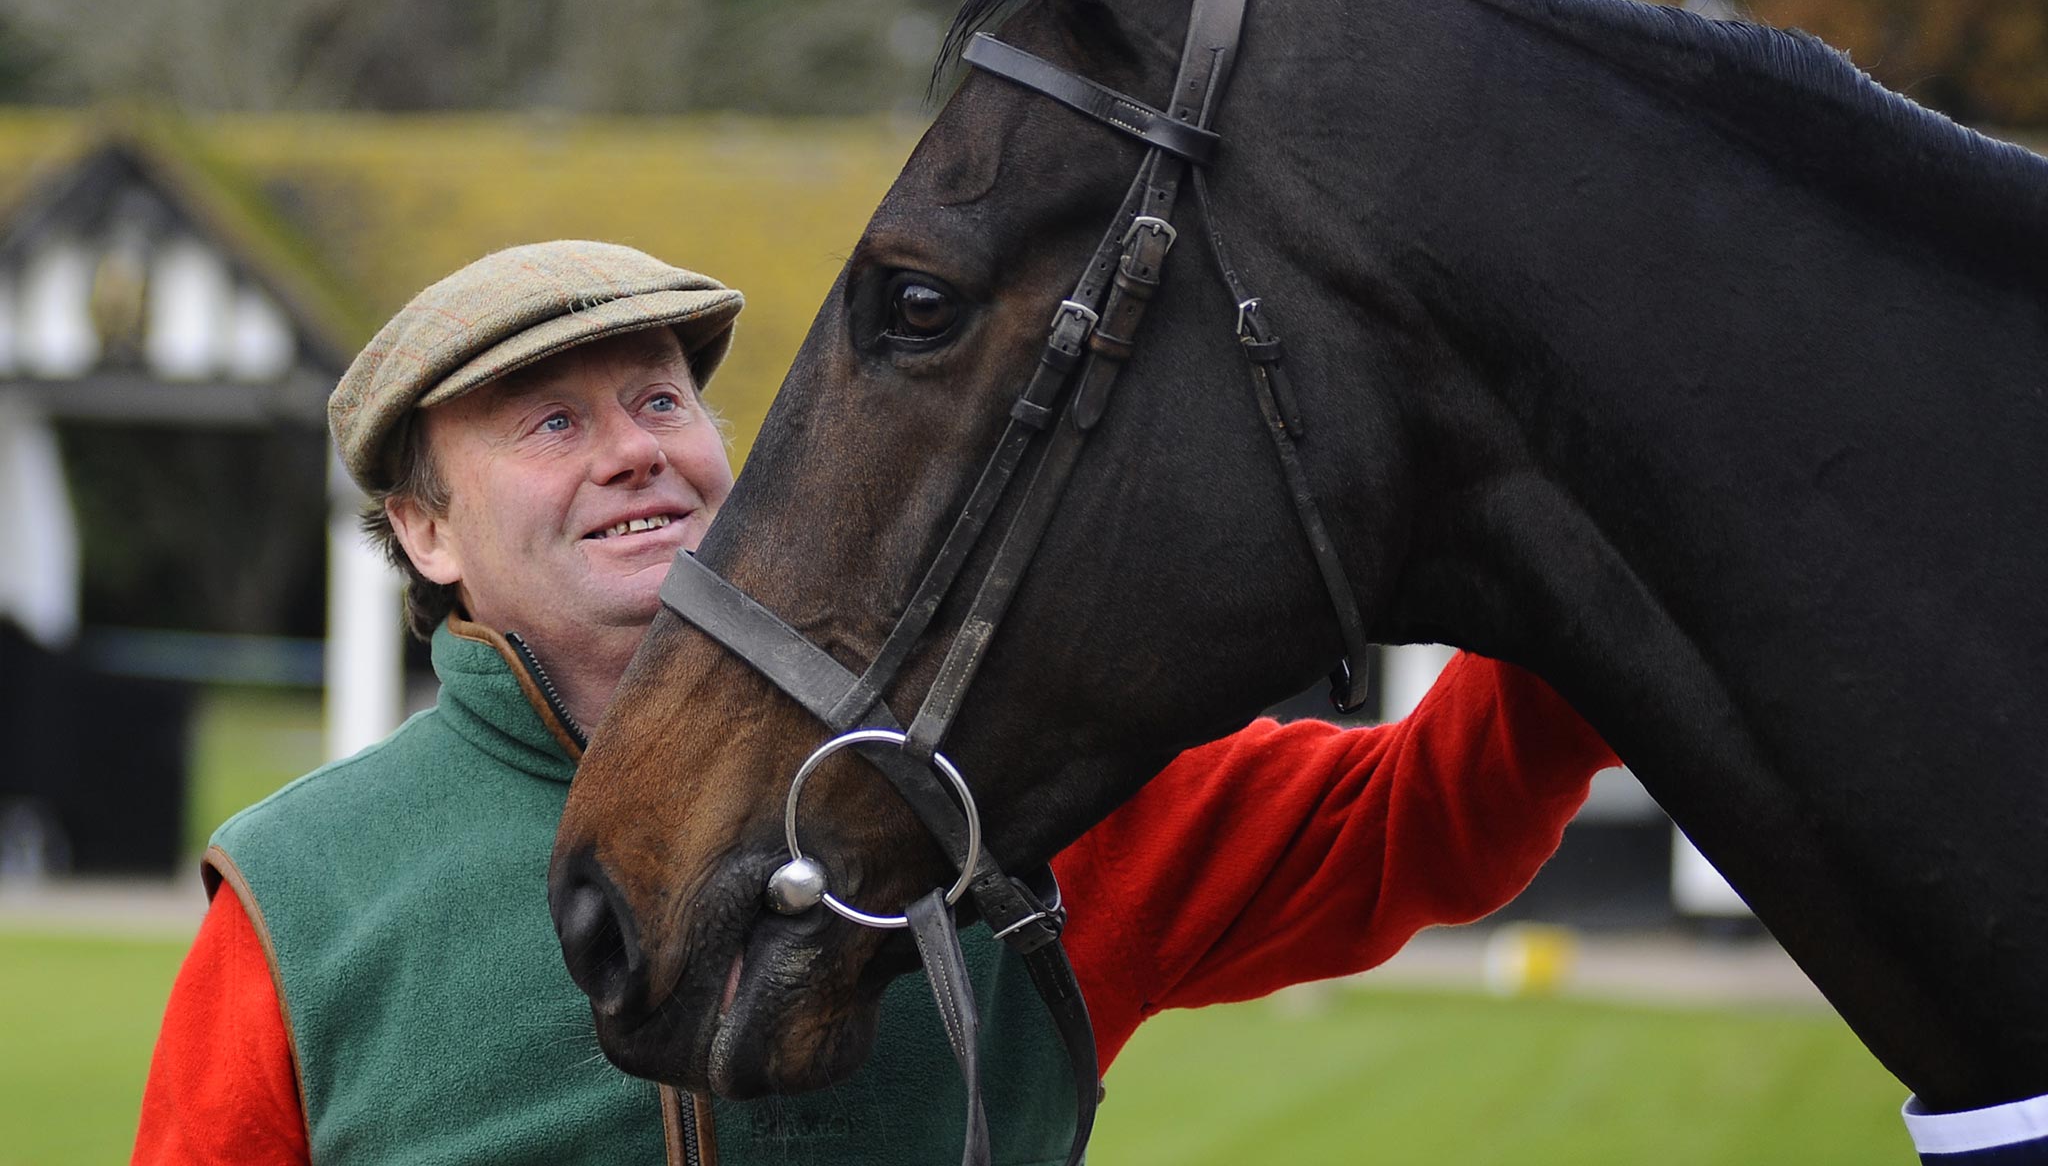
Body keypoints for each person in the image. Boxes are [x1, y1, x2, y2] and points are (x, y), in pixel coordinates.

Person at [133, 240, 1617, 1165]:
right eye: (553, 423)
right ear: (425, 533)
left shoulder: (967, 780)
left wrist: (1571, 537)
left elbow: (1421, 819)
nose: (636, 450)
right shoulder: (302, 892)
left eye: (661, 401)